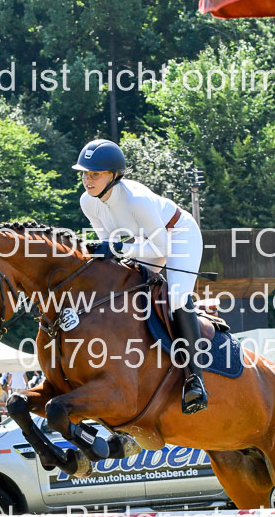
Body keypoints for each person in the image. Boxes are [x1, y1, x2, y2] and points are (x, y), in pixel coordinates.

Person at [73, 138, 208, 414]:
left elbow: (161, 249)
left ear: (114, 175)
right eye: (85, 174)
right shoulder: (88, 202)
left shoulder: (136, 200)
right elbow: (109, 245)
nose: (87, 180)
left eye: (95, 174)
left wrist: (118, 248)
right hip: (143, 241)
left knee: (176, 297)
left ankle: (195, 379)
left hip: (177, 234)